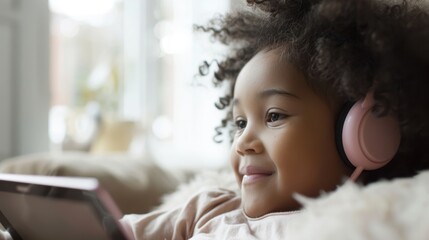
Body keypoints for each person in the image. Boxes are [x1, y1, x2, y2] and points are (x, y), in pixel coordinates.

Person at [1, 0, 428, 239]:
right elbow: (117, 233)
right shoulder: (210, 209)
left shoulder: (361, 225)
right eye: (240, 122)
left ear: (366, 133)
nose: (243, 142)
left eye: (273, 115)